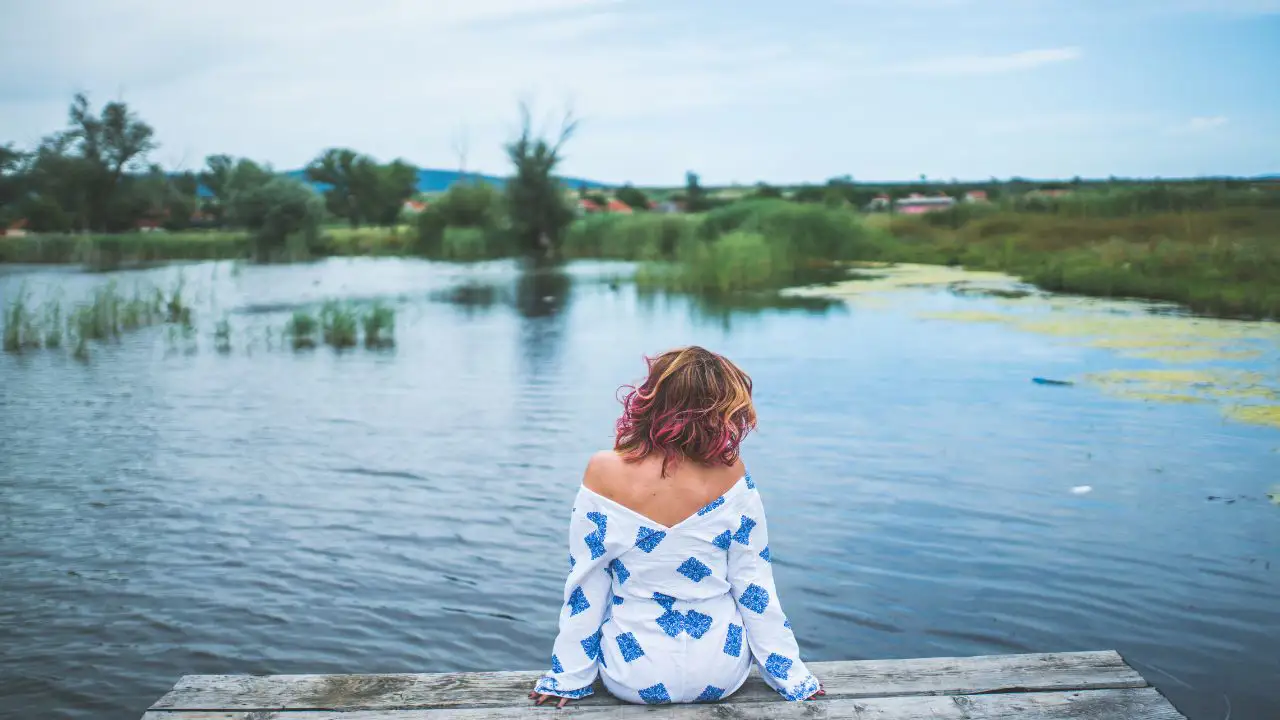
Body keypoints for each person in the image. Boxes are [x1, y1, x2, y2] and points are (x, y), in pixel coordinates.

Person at [529, 346, 824, 707]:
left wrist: (568, 678)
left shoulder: (604, 471)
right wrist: (792, 677)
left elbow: (587, 584)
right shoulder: (731, 473)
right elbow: (753, 584)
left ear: (652, 401)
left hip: (635, 673)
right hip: (721, 671)